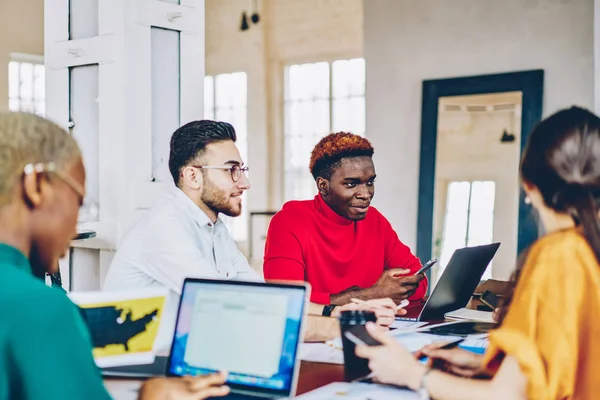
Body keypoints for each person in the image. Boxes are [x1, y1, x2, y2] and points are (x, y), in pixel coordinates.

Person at [354, 106, 600, 399]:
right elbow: (565, 368)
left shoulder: (559, 255)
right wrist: (486, 366)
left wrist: (412, 374)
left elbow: (508, 396)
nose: (364, 193)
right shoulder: (586, 249)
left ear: (528, 184)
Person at [0, 112, 229, 400]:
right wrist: (148, 396)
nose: (74, 226)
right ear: (37, 187)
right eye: (78, 201)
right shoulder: (40, 307)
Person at [103, 121, 399, 341]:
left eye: (242, 170)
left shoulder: (212, 228)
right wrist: (349, 327)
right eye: (231, 170)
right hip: (144, 379)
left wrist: (334, 312)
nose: (244, 183)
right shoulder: (165, 228)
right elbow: (240, 311)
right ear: (192, 176)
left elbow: (262, 297)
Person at [263, 132, 427, 307]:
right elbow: (285, 302)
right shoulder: (289, 221)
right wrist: (372, 294)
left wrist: (378, 292)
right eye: (351, 184)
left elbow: (419, 283)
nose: (365, 194)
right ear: (323, 186)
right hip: (315, 333)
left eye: (370, 182)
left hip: (370, 329)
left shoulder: (375, 220)